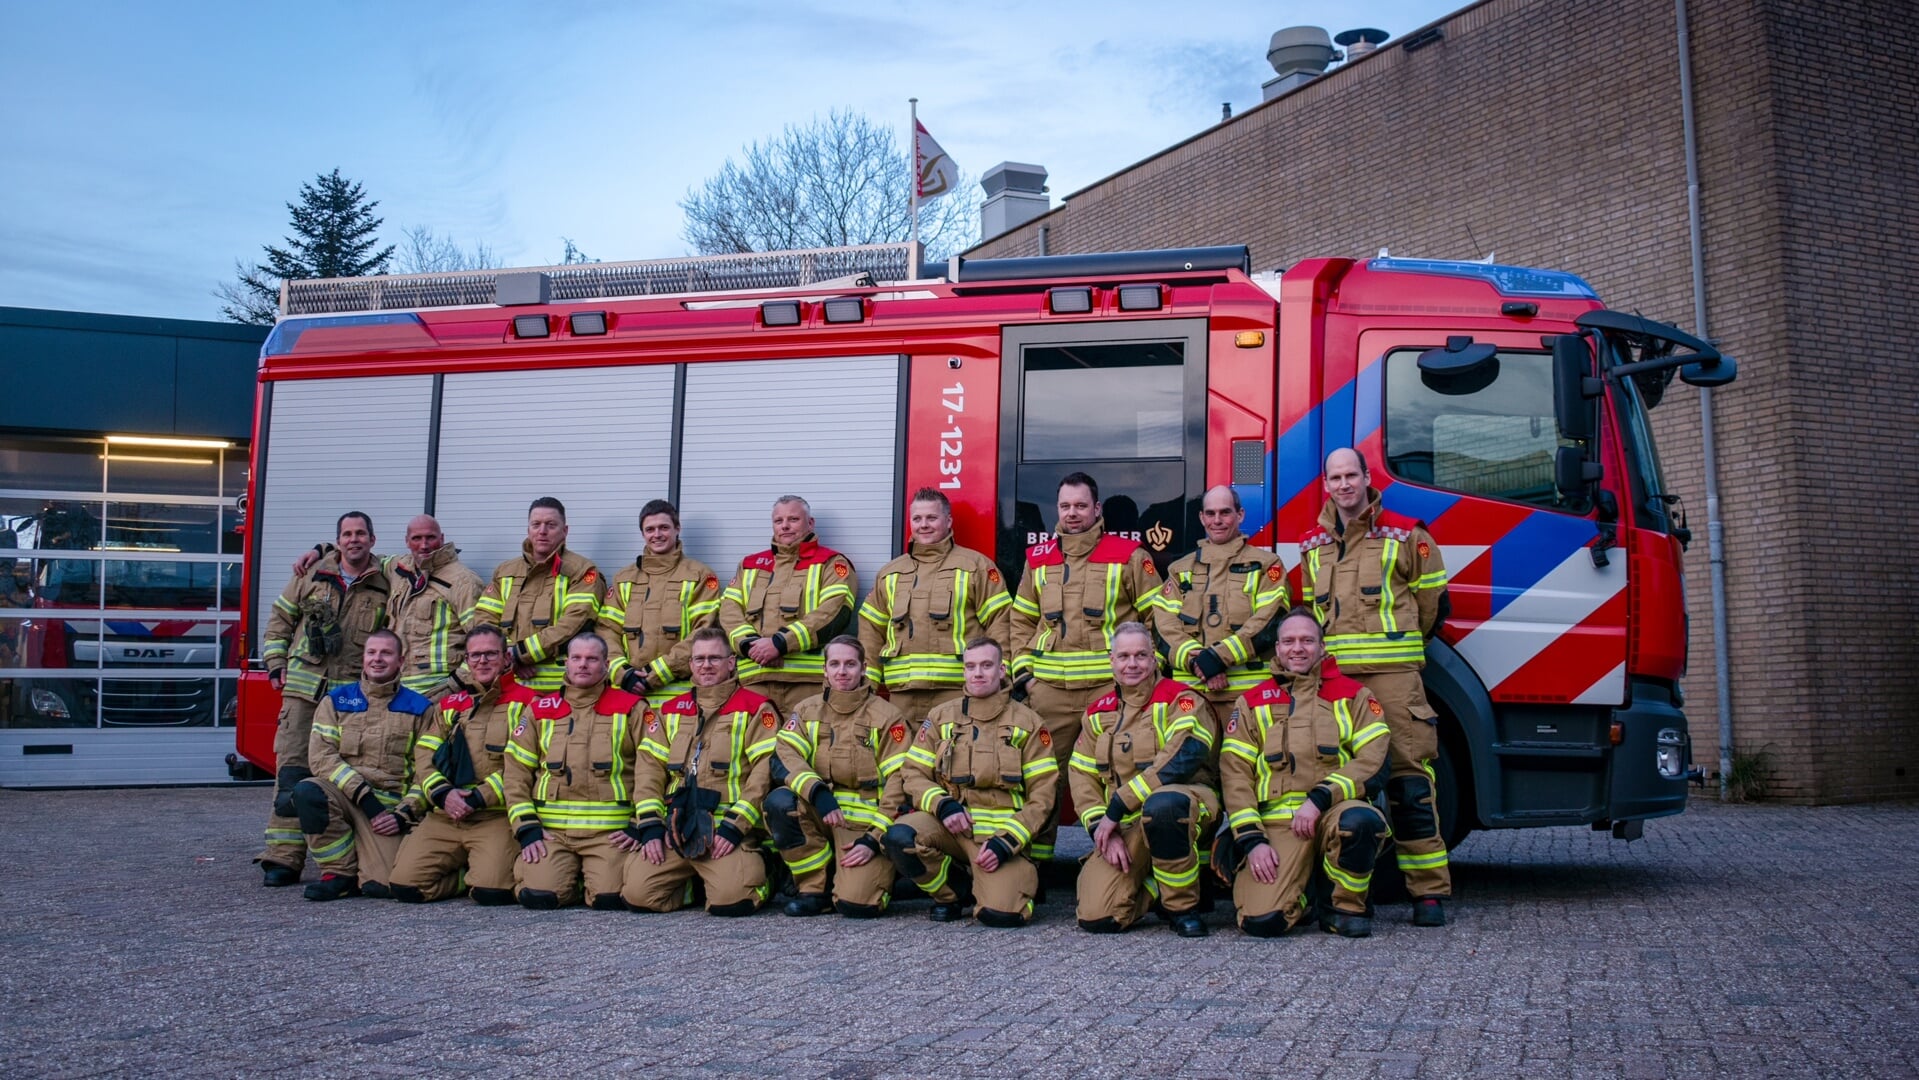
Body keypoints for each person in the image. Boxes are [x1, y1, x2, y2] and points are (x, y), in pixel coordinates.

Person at [1295, 448, 1452, 925]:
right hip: (1336, 683)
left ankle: (1427, 895)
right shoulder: (1310, 545)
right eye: (1335, 477)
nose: (1344, 485)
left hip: (1394, 681)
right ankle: (1342, 896)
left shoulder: (1408, 534)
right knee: (1336, 779)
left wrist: (1399, 650)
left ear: (1367, 477)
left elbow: (1432, 604)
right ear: (1325, 485)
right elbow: (1307, 617)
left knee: (1409, 784)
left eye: (1351, 475)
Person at [1007, 472, 1167, 859]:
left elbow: (1159, 621)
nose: (1073, 513)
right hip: (1049, 693)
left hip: (1110, 692)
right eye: (1065, 506)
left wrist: (1147, 676)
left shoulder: (1129, 556)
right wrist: (1025, 676)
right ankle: (1039, 865)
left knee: (1121, 770)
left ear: (1096, 508)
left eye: (1081, 505)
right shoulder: (1038, 559)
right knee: (1043, 778)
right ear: (1057, 509)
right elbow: (1021, 621)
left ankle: (1123, 854)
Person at [1219, 609, 1391, 937]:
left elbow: (1373, 758)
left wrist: (1321, 797)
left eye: (1307, 640)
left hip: (1332, 811)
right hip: (1278, 825)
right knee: (1262, 922)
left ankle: (1343, 906)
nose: (1297, 648)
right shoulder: (1252, 702)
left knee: (1361, 822)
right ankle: (1305, 894)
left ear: (1322, 647)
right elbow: (1235, 774)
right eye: (1289, 641)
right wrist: (1251, 839)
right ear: (1278, 649)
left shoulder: (1354, 695)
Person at [256, 511, 391, 887]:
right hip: (303, 693)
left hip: (349, 699)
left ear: (372, 539)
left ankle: (338, 858)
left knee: (342, 775)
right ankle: (283, 857)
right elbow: (280, 619)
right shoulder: (310, 574)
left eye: (361, 533)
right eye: (346, 534)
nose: (354, 540)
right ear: (338, 540)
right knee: (293, 771)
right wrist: (274, 662)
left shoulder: (385, 582)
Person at [884, 638, 1057, 927]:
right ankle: (954, 893)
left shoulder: (1029, 723)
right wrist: (943, 806)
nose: (978, 673)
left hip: (1002, 838)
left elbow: (1044, 796)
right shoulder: (941, 717)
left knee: (1001, 915)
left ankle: (998, 885)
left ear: (1002, 670)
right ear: (963, 671)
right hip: (953, 828)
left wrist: (1007, 842)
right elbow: (912, 774)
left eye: (986, 666)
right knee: (900, 838)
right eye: (971, 666)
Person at [1069, 622, 1220, 938]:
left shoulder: (1182, 700)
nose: (1132, 664)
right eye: (1123, 656)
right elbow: (1081, 775)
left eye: (1141, 655)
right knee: (1097, 917)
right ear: (1111, 661)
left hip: (1184, 807)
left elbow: (1183, 758)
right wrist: (1100, 827)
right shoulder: (1098, 713)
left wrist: (1117, 805)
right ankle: (1153, 884)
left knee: (1164, 805)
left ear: (1154, 660)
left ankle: (1181, 908)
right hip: (1125, 825)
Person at [620, 626, 778, 917]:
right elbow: (648, 772)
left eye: (715, 658)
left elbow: (763, 774)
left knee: (731, 902)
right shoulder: (669, 710)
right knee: (637, 896)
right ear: (690, 664)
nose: (706, 665)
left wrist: (735, 827)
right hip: (676, 828)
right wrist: (652, 826)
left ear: (731, 663)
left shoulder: (756, 708)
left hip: (726, 830)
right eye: (700, 659)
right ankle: (694, 884)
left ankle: (764, 871)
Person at [766, 636, 909, 918]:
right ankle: (813, 890)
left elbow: (899, 780)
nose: (842, 671)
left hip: (864, 825)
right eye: (834, 664)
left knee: (857, 906)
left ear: (864, 668)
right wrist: (817, 793)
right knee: (779, 803)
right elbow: (784, 755)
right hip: (822, 811)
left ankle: (888, 877)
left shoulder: (888, 716)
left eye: (850, 664)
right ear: (825, 670)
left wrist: (874, 839)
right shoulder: (807, 711)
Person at [501, 632, 644, 910]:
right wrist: (526, 828)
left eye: (592, 659)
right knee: (539, 897)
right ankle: (562, 875)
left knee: (609, 899)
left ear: (605, 665)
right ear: (566, 664)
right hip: (551, 834)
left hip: (610, 834)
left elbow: (652, 771)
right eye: (576, 658)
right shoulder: (539, 709)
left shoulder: (631, 708)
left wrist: (639, 823)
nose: (583, 665)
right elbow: (516, 772)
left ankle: (589, 878)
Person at [386, 625, 526, 905]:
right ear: (467, 660)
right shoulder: (450, 705)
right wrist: (443, 794)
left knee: (492, 893)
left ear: (506, 659)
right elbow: (423, 754)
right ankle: (465, 875)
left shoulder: (528, 704)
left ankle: (480, 872)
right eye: (475, 656)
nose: (482, 661)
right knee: (405, 887)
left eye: (490, 654)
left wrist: (477, 798)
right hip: (445, 814)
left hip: (495, 816)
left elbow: (523, 767)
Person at [290, 629, 434, 901]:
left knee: (383, 886)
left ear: (401, 661)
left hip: (389, 809)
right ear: (364, 657)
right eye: (371, 652)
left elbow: (425, 774)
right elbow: (321, 757)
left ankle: (364, 862)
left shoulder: (421, 708)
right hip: (345, 797)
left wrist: (402, 815)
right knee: (308, 791)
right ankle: (338, 874)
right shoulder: (336, 701)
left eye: (386, 653)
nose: (377, 659)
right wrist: (365, 799)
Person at [857, 488, 1011, 725]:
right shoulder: (890, 573)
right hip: (901, 696)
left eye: (931, 518)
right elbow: (870, 633)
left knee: (957, 760)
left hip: (959, 693)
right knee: (904, 761)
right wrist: (867, 687)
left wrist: (1001, 678)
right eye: (917, 519)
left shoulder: (976, 566)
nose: (923, 525)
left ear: (948, 521)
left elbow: (1001, 623)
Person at [718, 495, 856, 717]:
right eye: (778, 521)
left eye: (793, 519)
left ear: (810, 523)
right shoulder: (749, 565)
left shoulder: (831, 563)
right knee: (754, 751)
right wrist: (749, 645)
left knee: (804, 749)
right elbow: (728, 611)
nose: (785, 526)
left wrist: (780, 643)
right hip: (754, 681)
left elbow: (835, 613)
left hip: (807, 684)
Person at [1155, 485, 1288, 715]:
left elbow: (1271, 621)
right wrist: (1199, 663)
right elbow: (1163, 626)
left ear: (1240, 515)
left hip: (1250, 698)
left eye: (1225, 512)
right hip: (1190, 697)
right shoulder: (1179, 570)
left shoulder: (1266, 565)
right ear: (1201, 517)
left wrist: (1217, 659)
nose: (1217, 520)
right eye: (1210, 513)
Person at [470, 497, 605, 692]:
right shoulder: (505, 571)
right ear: (528, 530)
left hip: (558, 687)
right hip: (507, 681)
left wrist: (519, 653)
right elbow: (484, 619)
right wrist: (506, 656)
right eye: (536, 524)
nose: (542, 531)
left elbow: (573, 624)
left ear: (565, 531)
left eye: (551, 525)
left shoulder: (581, 571)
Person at [597, 498, 723, 707]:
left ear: (677, 529)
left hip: (679, 695)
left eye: (664, 527)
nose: (657, 535)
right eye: (650, 529)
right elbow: (606, 630)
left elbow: (704, 631)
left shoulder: (699, 575)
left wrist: (660, 671)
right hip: (629, 695)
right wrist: (622, 673)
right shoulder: (624, 578)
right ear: (643, 534)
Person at [384, 514, 485, 697]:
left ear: (442, 538)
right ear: (406, 541)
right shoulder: (399, 569)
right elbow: (360, 555)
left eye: (430, 537)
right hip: (398, 689)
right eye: (416, 538)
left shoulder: (464, 582)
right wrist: (323, 550)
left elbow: (483, 639)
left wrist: (455, 684)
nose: (424, 545)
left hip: (439, 691)